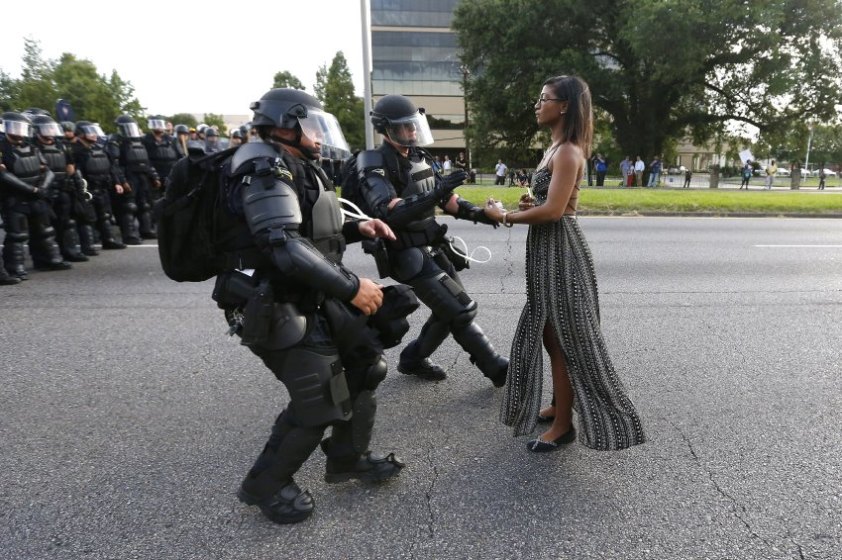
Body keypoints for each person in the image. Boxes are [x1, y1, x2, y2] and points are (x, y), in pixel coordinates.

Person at [211, 88, 411, 525]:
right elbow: (283, 244)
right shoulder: (263, 166)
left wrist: (360, 227)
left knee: (365, 365)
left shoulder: (291, 164)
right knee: (319, 400)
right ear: (285, 125)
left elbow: (310, 229)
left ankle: (347, 458)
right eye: (312, 126)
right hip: (274, 301)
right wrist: (351, 286)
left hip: (307, 293)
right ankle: (266, 485)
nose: (319, 136)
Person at [484, 75, 646, 453]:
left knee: (566, 339)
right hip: (546, 250)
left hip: (562, 252)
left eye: (545, 98)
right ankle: (560, 405)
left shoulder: (569, 151)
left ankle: (563, 426)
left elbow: (555, 211)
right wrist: (529, 205)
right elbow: (546, 204)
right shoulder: (553, 149)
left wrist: (504, 215)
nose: (538, 105)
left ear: (565, 105)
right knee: (549, 333)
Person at [355, 94, 509, 386]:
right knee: (460, 309)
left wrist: (482, 214)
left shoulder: (419, 157)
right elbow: (390, 211)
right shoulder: (374, 161)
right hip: (404, 251)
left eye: (414, 126)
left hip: (432, 245)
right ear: (386, 129)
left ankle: (413, 359)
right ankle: (497, 368)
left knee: (448, 310)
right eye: (405, 127)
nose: (412, 132)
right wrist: (436, 193)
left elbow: (448, 200)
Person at [0, 111, 72, 279]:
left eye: (21, 127)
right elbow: (4, 175)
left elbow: (47, 170)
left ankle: (49, 260)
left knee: (45, 229)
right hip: (14, 197)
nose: (18, 132)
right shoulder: (2, 148)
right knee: (17, 234)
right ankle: (15, 267)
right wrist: (31, 190)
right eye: (15, 127)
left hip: (36, 195)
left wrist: (42, 188)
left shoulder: (32, 146)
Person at [72, 121, 127, 251]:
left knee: (105, 215)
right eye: (90, 131)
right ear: (81, 134)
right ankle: (88, 246)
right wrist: (81, 189)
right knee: (87, 218)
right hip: (87, 189)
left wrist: (117, 182)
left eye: (94, 131)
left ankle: (109, 240)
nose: (94, 134)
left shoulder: (100, 148)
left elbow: (111, 167)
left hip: (102, 187)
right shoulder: (75, 150)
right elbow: (75, 172)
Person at [106, 115, 161, 242]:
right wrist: (122, 181)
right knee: (129, 206)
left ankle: (146, 230)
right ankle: (129, 234)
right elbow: (115, 164)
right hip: (128, 175)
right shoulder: (115, 141)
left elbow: (146, 161)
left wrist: (154, 176)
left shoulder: (139, 141)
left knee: (145, 204)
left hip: (142, 175)